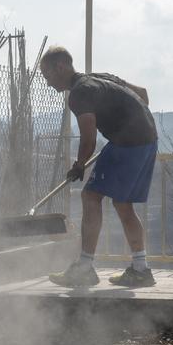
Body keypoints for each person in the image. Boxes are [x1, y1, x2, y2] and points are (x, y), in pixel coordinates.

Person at [40, 46, 158, 288]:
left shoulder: (79, 93)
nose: (47, 83)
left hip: (128, 142)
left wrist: (79, 164)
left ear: (60, 67)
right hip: (146, 140)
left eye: (47, 75)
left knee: (90, 196)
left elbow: (89, 140)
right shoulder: (101, 79)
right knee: (122, 203)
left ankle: (84, 268)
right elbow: (143, 95)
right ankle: (140, 269)